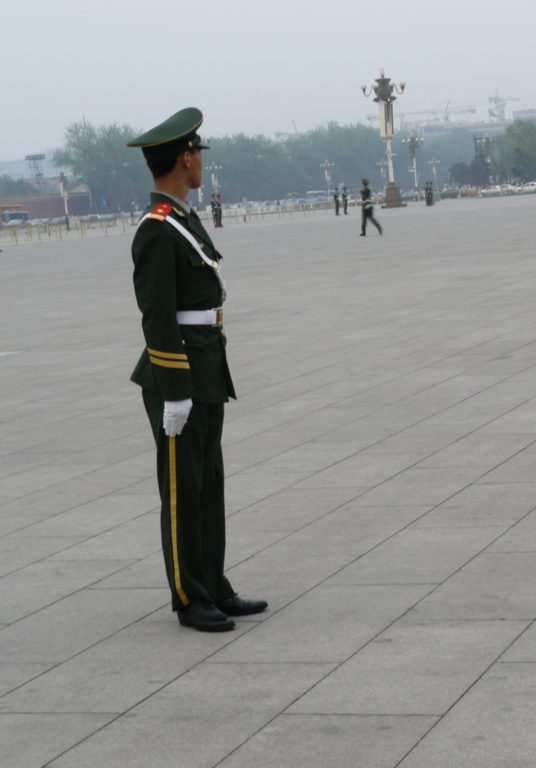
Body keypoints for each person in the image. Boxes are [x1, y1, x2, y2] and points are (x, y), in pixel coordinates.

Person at [126, 107, 266, 632]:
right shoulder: (157, 229)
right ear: (185, 159)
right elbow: (157, 317)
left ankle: (214, 583)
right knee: (183, 489)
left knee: (209, 482)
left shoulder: (182, 218)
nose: (201, 163)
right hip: (178, 375)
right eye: (198, 154)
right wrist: (176, 390)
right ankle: (189, 596)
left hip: (206, 365)